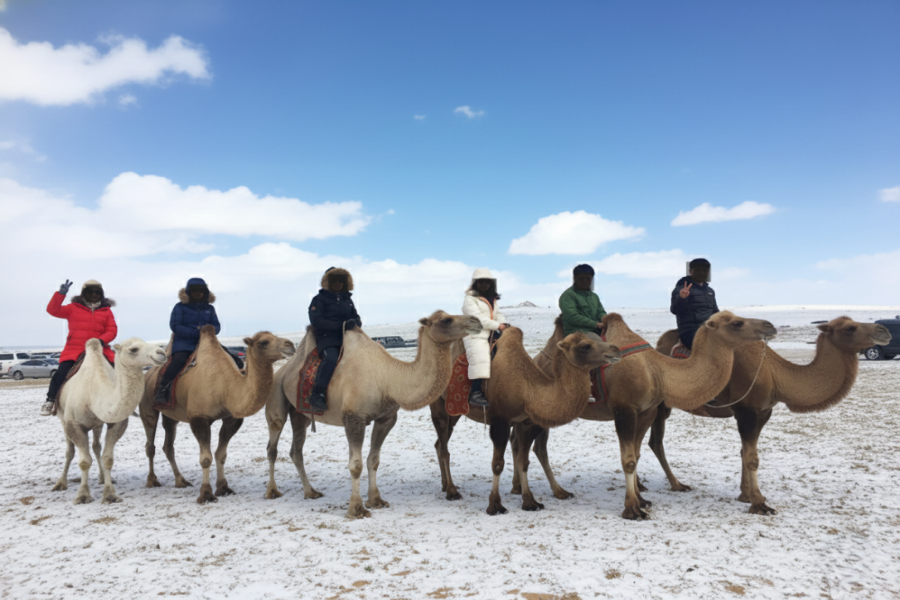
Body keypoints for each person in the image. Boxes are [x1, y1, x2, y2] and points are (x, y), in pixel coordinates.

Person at [154, 277, 242, 407]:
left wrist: (210, 330)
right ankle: (162, 390)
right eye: (194, 290)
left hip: (207, 342)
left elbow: (216, 326)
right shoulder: (180, 307)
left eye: (200, 290)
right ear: (189, 292)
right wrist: (195, 332)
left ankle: (236, 389)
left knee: (234, 359)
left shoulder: (210, 309)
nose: (198, 293)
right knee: (178, 361)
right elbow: (175, 326)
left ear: (205, 292)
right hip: (184, 343)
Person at [41, 279, 118, 416]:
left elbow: (112, 330)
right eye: (90, 291)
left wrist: (100, 341)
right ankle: (50, 400)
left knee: (118, 371)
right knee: (61, 373)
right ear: (84, 293)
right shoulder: (72, 308)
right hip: (75, 350)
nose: (94, 294)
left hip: (99, 350)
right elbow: (52, 310)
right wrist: (61, 294)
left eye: (97, 292)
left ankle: (119, 402)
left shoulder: (106, 311)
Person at [307, 267, 362, 412]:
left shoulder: (347, 299)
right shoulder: (318, 300)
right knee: (331, 358)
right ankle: (317, 393)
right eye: (334, 280)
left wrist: (356, 322)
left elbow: (355, 316)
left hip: (348, 338)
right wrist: (342, 325)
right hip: (328, 338)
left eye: (340, 280)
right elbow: (317, 321)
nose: (337, 283)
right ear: (327, 282)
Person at [461, 268, 508, 408]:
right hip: (476, 333)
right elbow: (477, 318)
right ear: (475, 283)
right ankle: (475, 393)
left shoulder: (492, 300)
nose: (484, 284)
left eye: (487, 282)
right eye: (480, 282)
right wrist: (497, 325)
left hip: (492, 331)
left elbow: (498, 314)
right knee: (480, 356)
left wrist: (503, 323)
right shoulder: (469, 299)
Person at [670, 257, 719, 349]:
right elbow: (675, 310)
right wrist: (682, 298)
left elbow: (715, 311)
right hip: (690, 331)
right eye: (698, 270)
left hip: (709, 328)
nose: (702, 273)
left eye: (705, 270)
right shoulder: (681, 289)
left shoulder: (710, 291)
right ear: (690, 271)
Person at [559, 264, 607, 338]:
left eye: (588, 279)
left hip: (596, 330)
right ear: (574, 278)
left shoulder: (594, 296)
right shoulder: (568, 295)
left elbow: (600, 312)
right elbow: (572, 316)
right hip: (577, 332)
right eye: (581, 278)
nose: (585, 281)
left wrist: (606, 320)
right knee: (600, 347)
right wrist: (595, 324)